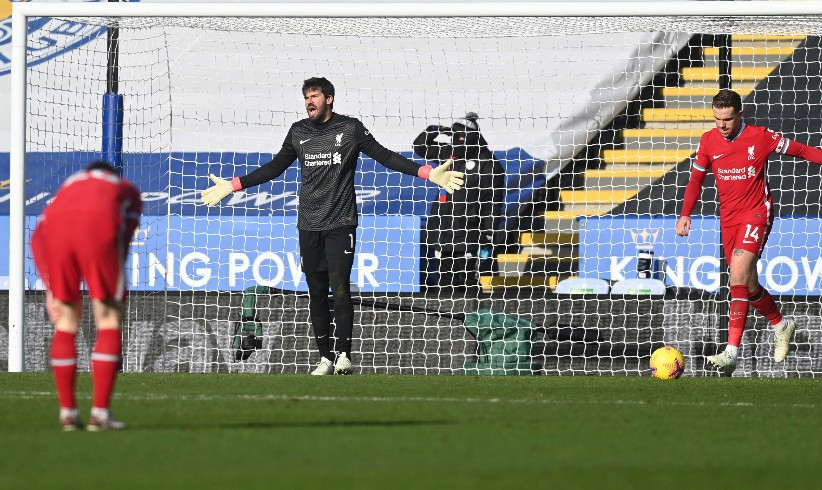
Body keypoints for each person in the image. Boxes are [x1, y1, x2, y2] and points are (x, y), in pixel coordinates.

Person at [201, 77, 464, 375]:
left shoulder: (350, 128)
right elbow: (274, 167)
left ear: (329, 98)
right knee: (316, 293)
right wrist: (233, 185)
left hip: (341, 223)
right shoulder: (298, 131)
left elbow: (385, 156)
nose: (309, 102)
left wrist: (427, 173)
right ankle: (325, 358)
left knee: (340, 287)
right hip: (308, 225)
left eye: (314, 96)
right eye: (306, 97)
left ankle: (344, 355)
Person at [676, 89, 822, 371]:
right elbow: (695, 180)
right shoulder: (708, 141)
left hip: (756, 214)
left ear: (740, 114)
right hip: (729, 219)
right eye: (717, 119)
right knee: (748, 285)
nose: (722, 125)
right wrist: (685, 214)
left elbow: (801, 150)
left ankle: (731, 353)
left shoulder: (760, 137)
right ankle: (781, 325)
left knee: (737, 274)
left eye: (727, 119)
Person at [31, 161, 142, 431]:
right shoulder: (126, 188)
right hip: (98, 229)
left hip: (53, 234)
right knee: (108, 318)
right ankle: (100, 414)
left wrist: (50, 290)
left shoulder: (70, 185)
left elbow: (38, 236)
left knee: (66, 320)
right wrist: (115, 277)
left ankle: (67, 414)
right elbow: (124, 236)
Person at [413, 112, 506, 288]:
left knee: (470, 281)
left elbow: (493, 201)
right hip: (443, 231)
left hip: (470, 233)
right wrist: (435, 129)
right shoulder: (449, 154)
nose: (457, 140)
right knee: (445, 282)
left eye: (462, 136)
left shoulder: (488, 163)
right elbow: (419, 147)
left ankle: (472, 305)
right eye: (455, 135)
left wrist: (489, 231)